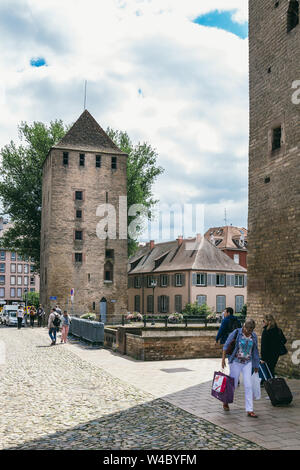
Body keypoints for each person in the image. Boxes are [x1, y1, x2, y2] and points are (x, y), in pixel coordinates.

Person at [221, 319, 260, 418]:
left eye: (250, 331)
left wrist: (256, 365)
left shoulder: (254, 336)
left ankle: (250, 410)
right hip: (236, 362)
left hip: (247, 362)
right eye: (247, 330)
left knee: (248, 385)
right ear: (244, 327)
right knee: (232, 384)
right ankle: (226, 401)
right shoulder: (237, 333)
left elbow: (255, 351)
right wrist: (223, 360)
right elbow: (226, 346)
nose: (248, 333)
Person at [260, 314, 287, 380]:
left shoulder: (266, 331)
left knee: (268, 370)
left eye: (263, 321)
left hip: (267, 355)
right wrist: (276, 345)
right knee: (271, 368)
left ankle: (271, 383)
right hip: (276, 354)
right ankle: (272, 382)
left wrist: (263, 358)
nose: (262, 322)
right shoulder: (278, 330)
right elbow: (284, 340)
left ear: (268, 321)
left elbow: (264, 346)